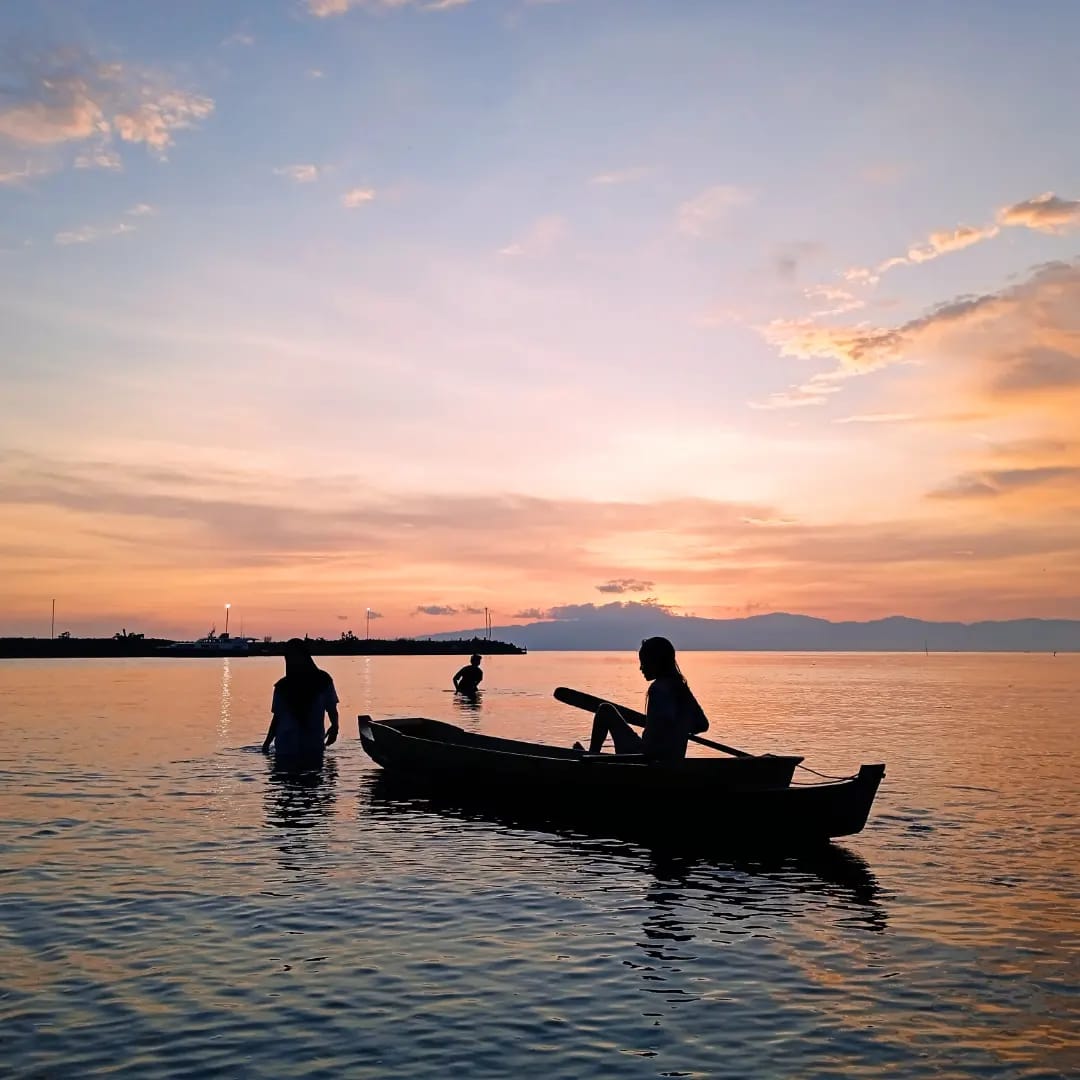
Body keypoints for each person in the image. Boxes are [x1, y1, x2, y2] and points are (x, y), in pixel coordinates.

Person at [583, 637, 708, 762]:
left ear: (657, 662)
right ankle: (590, 758)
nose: (641, 668)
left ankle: (590, 760)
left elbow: (655, 739)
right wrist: (680, 728)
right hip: (674, 760)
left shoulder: (657, 689)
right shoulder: (682, 688)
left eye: (644, 662)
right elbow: (702, 725)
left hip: (648, 761)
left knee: (605, 710)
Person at [262, 638, 339, 764]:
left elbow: (332, 709)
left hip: (305, 746)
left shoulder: (323, 681)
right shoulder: (283, 687)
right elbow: (277, 718)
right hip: (288, 747)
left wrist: (335, 727)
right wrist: (266, 743)